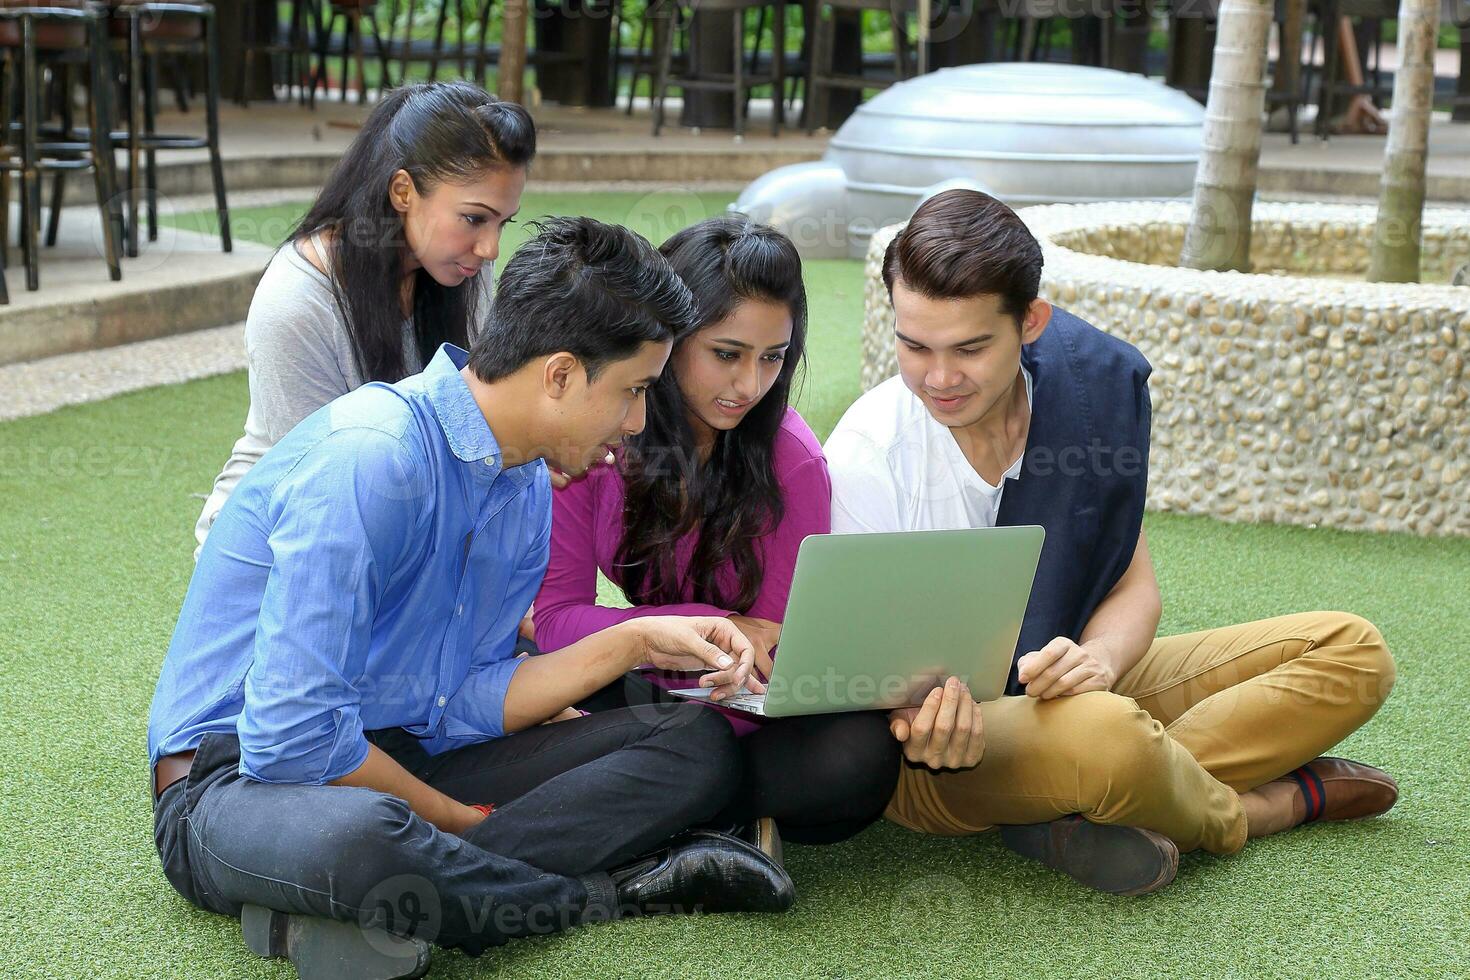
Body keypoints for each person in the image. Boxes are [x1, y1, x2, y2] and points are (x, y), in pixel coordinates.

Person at [148, 217, 793, 980]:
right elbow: (292, 740)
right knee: (367, 843)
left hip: (400, 747)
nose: (637, 423)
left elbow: (459, 702)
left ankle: (393, 898)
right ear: (558, 375)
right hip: (239, 781)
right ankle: (612, 890)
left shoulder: (523, 479)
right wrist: (448, 817)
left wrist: (635, 640)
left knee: (696, 744)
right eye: (633, 391)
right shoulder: (371, 458)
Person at [824, 189, 1398, 896]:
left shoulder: (1081, 398)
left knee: (1352, 652)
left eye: (970, 348)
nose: (939, 378)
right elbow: (856, 676)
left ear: (1029, 323)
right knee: (1110, 738)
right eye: (915, 346)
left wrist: (1097, 658)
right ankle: (1257, 809)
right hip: (939, 758)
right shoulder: (869, 451)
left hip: (1067, 701)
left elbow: (1132, 586)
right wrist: (915, 713)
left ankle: (1081, 802)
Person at [533, 217, 901, 850]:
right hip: (630, 683)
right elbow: (552, 619)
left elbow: (776, 655)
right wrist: (699, 622)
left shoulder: (795, 463)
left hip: (735, 712)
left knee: (854, 761)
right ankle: (704, 811)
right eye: (726, 355)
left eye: (773, 358)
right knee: (523, 688)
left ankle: (667, 805)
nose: (749, 385)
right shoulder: (595, 435)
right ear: (669, 338)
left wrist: (737, 649)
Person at [193, 80, 534, 553]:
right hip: (283, 549)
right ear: (403, 191)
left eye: (503, 222)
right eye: (475, 218)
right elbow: (324, 491)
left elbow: (478, 416)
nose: (490, 247)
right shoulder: (298, 299)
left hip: (400, 525)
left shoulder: (462, 264)